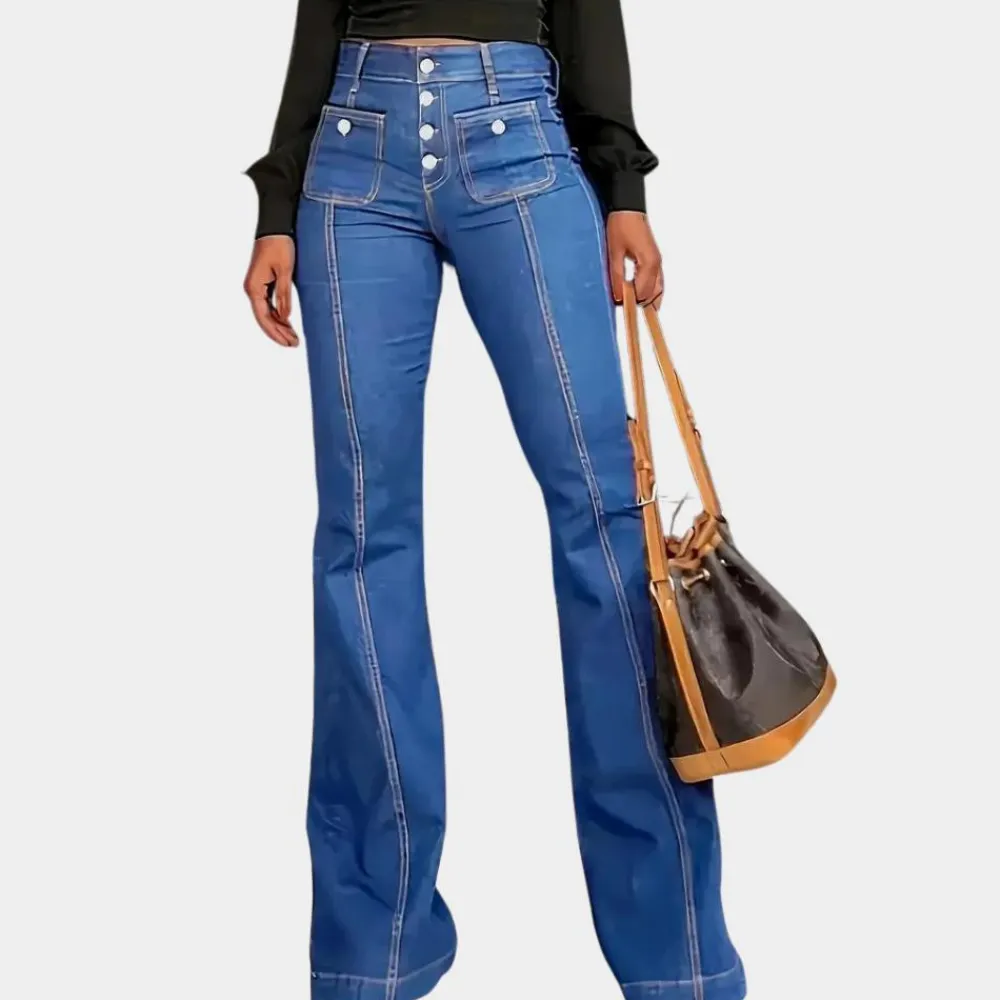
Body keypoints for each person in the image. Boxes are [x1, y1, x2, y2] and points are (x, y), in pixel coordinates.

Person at [243, 4, 744, 999]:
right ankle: (373, 956)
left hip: (516, 133)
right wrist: (276, 203)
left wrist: (622, 188)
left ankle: (676, 961)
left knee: (605, 522)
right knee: (360, 539)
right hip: (352, 151)